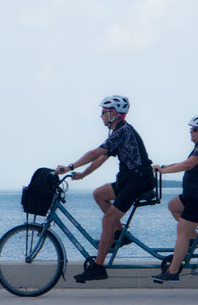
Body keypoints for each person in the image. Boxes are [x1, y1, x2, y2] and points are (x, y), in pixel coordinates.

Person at [55, 95, 155, 283]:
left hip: (139, 180)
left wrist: (70, 167)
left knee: (108, 219)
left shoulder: (122, 131)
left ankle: (98, 267)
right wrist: (83, 174)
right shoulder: (118, 132)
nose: (100, 116)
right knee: (99, 194)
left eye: (103, 112)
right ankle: (120, 234)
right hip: (129, 179)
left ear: (114, 113)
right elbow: (103, 157)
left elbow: (95, 153)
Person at [150, 114, 198, 283]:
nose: (191, 132)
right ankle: (196, 238)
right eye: (191, 129)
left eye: (195, 130)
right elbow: (186, 162)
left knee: (182, 231)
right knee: (174, 206)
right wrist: (163, 166)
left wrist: (164, 172)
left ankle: (173, 272)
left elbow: (187, 165)